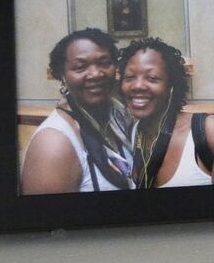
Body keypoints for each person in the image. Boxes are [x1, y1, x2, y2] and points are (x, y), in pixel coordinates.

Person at [21, 28, 133, 194]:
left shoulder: (121, 115)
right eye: (80, 67)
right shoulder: (53, 144)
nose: (95, 74)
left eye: (104, 63)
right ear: (62, 76)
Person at [119, 38, 214, 188]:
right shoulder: (134, 133)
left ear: (172, 86)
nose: (137, 86)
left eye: (152, 78)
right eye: (129, 77)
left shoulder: (210, 131)